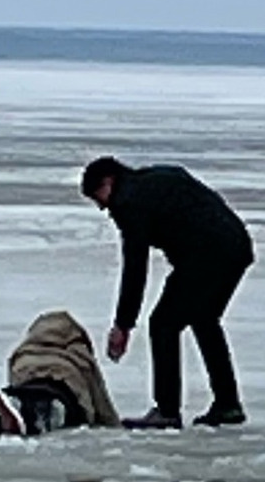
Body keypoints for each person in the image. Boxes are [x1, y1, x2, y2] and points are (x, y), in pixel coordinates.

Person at [80, 156, 255, 430]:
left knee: (163, 324)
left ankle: (167, 410)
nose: (103, 207)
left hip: (207, 256)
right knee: (204, 319)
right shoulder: (156, 178)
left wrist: (123, 324)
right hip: (236, 247)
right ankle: (228, 404)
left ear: (108, 182)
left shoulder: (128, 201)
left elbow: (136, 266)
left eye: (98, 197)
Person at [0, 310, 120, 436]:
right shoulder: (78, 355)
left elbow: (15, 375)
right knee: (43, 414)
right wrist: (114, 425)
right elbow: (100, 399)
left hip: (26, 387)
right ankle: (15, 415)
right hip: (61, 393)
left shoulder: (25, 351)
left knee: (5, 406)